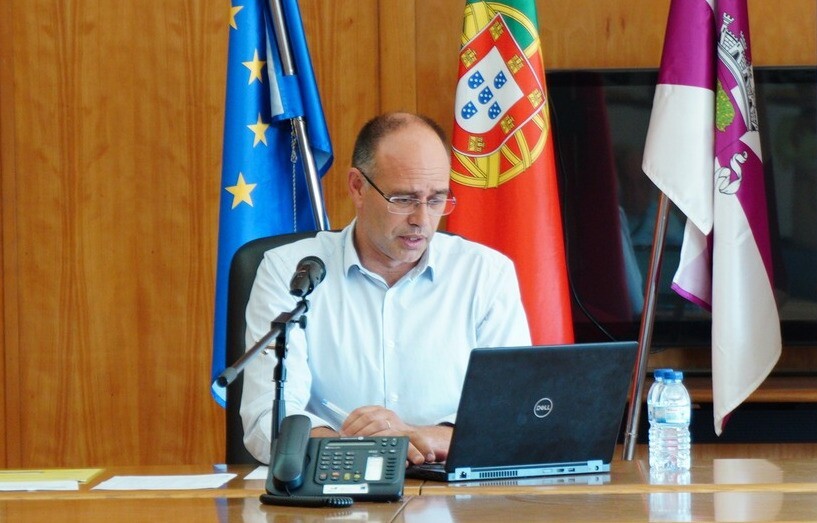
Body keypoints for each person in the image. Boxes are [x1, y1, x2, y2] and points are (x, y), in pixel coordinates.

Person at [241, 112, 531, 465]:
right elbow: (266, 420)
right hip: (333, 492)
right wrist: (355, 451)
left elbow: (513, 418)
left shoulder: (485, 273)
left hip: (451, 496)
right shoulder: (291, 272)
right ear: (357, 188)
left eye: (437, 198)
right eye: (404, 199)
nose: (422, 220)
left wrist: (419, 437)